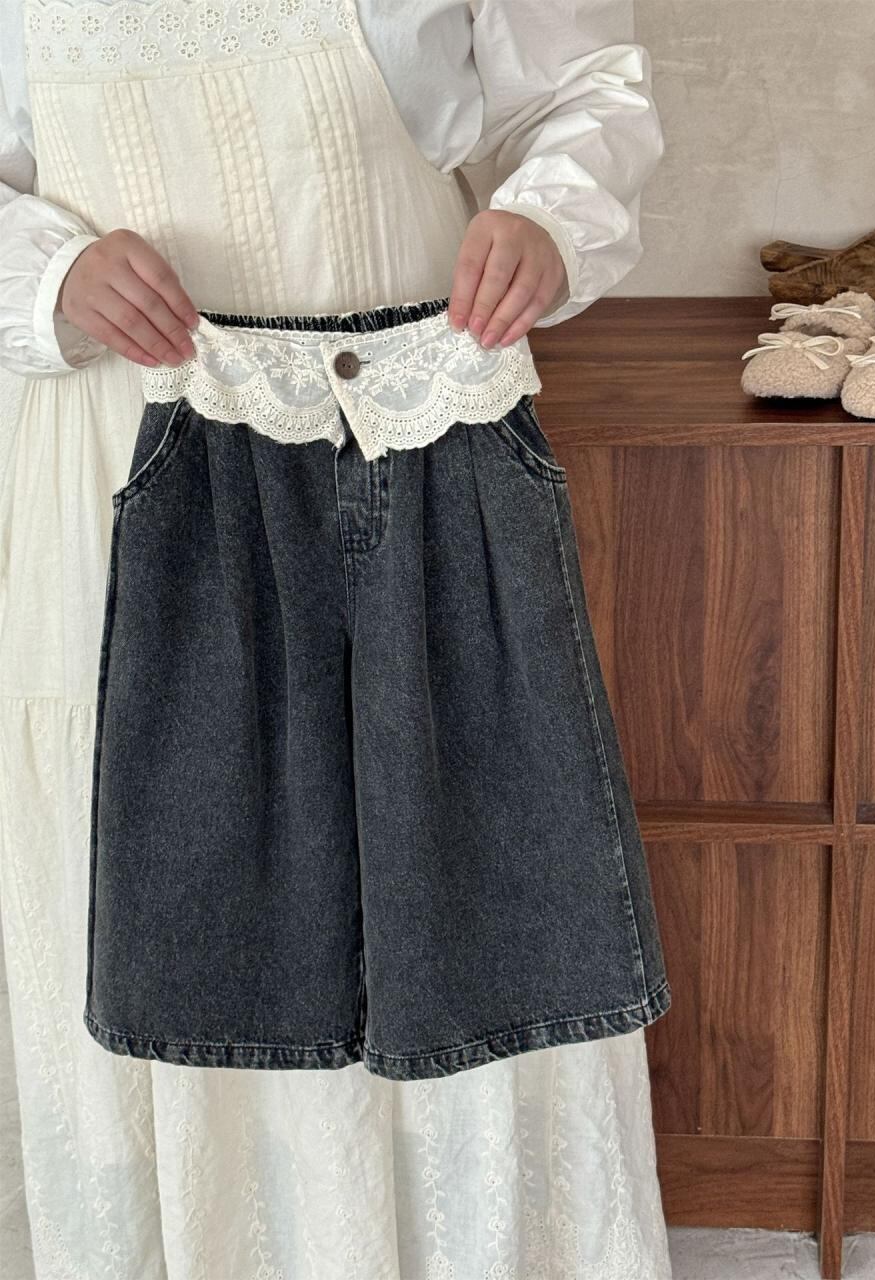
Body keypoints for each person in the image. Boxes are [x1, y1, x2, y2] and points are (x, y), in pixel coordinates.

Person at [0, 1, 674, 1274]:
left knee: (462, 875)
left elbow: (588, 89)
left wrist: (549, 221)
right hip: (121, 454)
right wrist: (48, 273)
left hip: (413, 432)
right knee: (172, 890)